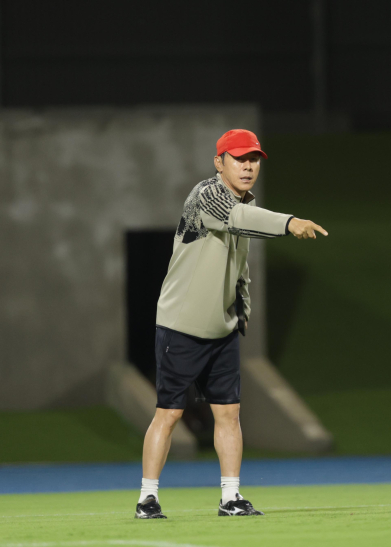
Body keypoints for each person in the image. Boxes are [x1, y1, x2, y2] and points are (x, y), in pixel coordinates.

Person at [135, 129, 328, 519]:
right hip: (181, 325)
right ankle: (147, 497)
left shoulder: (243, 202)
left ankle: (230, 497)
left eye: (254, 159)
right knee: (169, 413)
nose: (248, 166)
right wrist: (290, 222)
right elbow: (239, 220)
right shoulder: (206, 196)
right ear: (218, 162)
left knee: (228, 413)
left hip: (220, 330)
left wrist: (241, 310)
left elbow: (239, 268)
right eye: (239, 158)